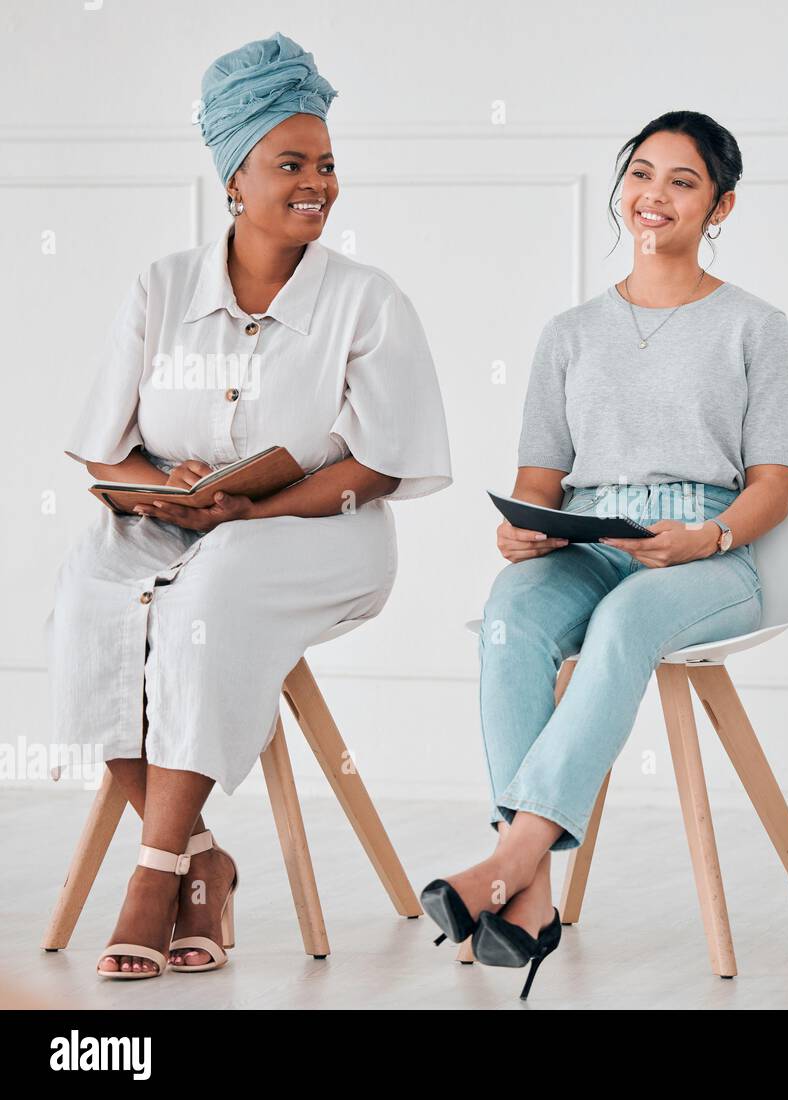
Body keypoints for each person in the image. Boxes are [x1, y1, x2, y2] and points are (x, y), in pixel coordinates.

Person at [48, 32, 453, 980]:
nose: (316, 183)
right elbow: (106, 449)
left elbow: (383, 466)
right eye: (290, 164)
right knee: (89, 595)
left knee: (215, 587)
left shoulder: (367, 301)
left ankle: (152, 876)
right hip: (165, 528)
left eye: (325, 164)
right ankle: (201, 860)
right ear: (234, 177)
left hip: (319, 536)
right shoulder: (160, 287)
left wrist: (249, 514)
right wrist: (177, 492)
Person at [419, 111, 788, 998]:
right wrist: (523, 529)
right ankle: (531, 894)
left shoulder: (757, 326)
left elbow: (774, 483)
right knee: (512, 615)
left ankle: (509, 858)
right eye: (641, 173)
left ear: (722, 205)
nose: (654, 195)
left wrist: (709, 536)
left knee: (628, 618)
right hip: (591, 540)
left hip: (709, 553)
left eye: (683, 180)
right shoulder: (569, 332)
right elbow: (540, 479)